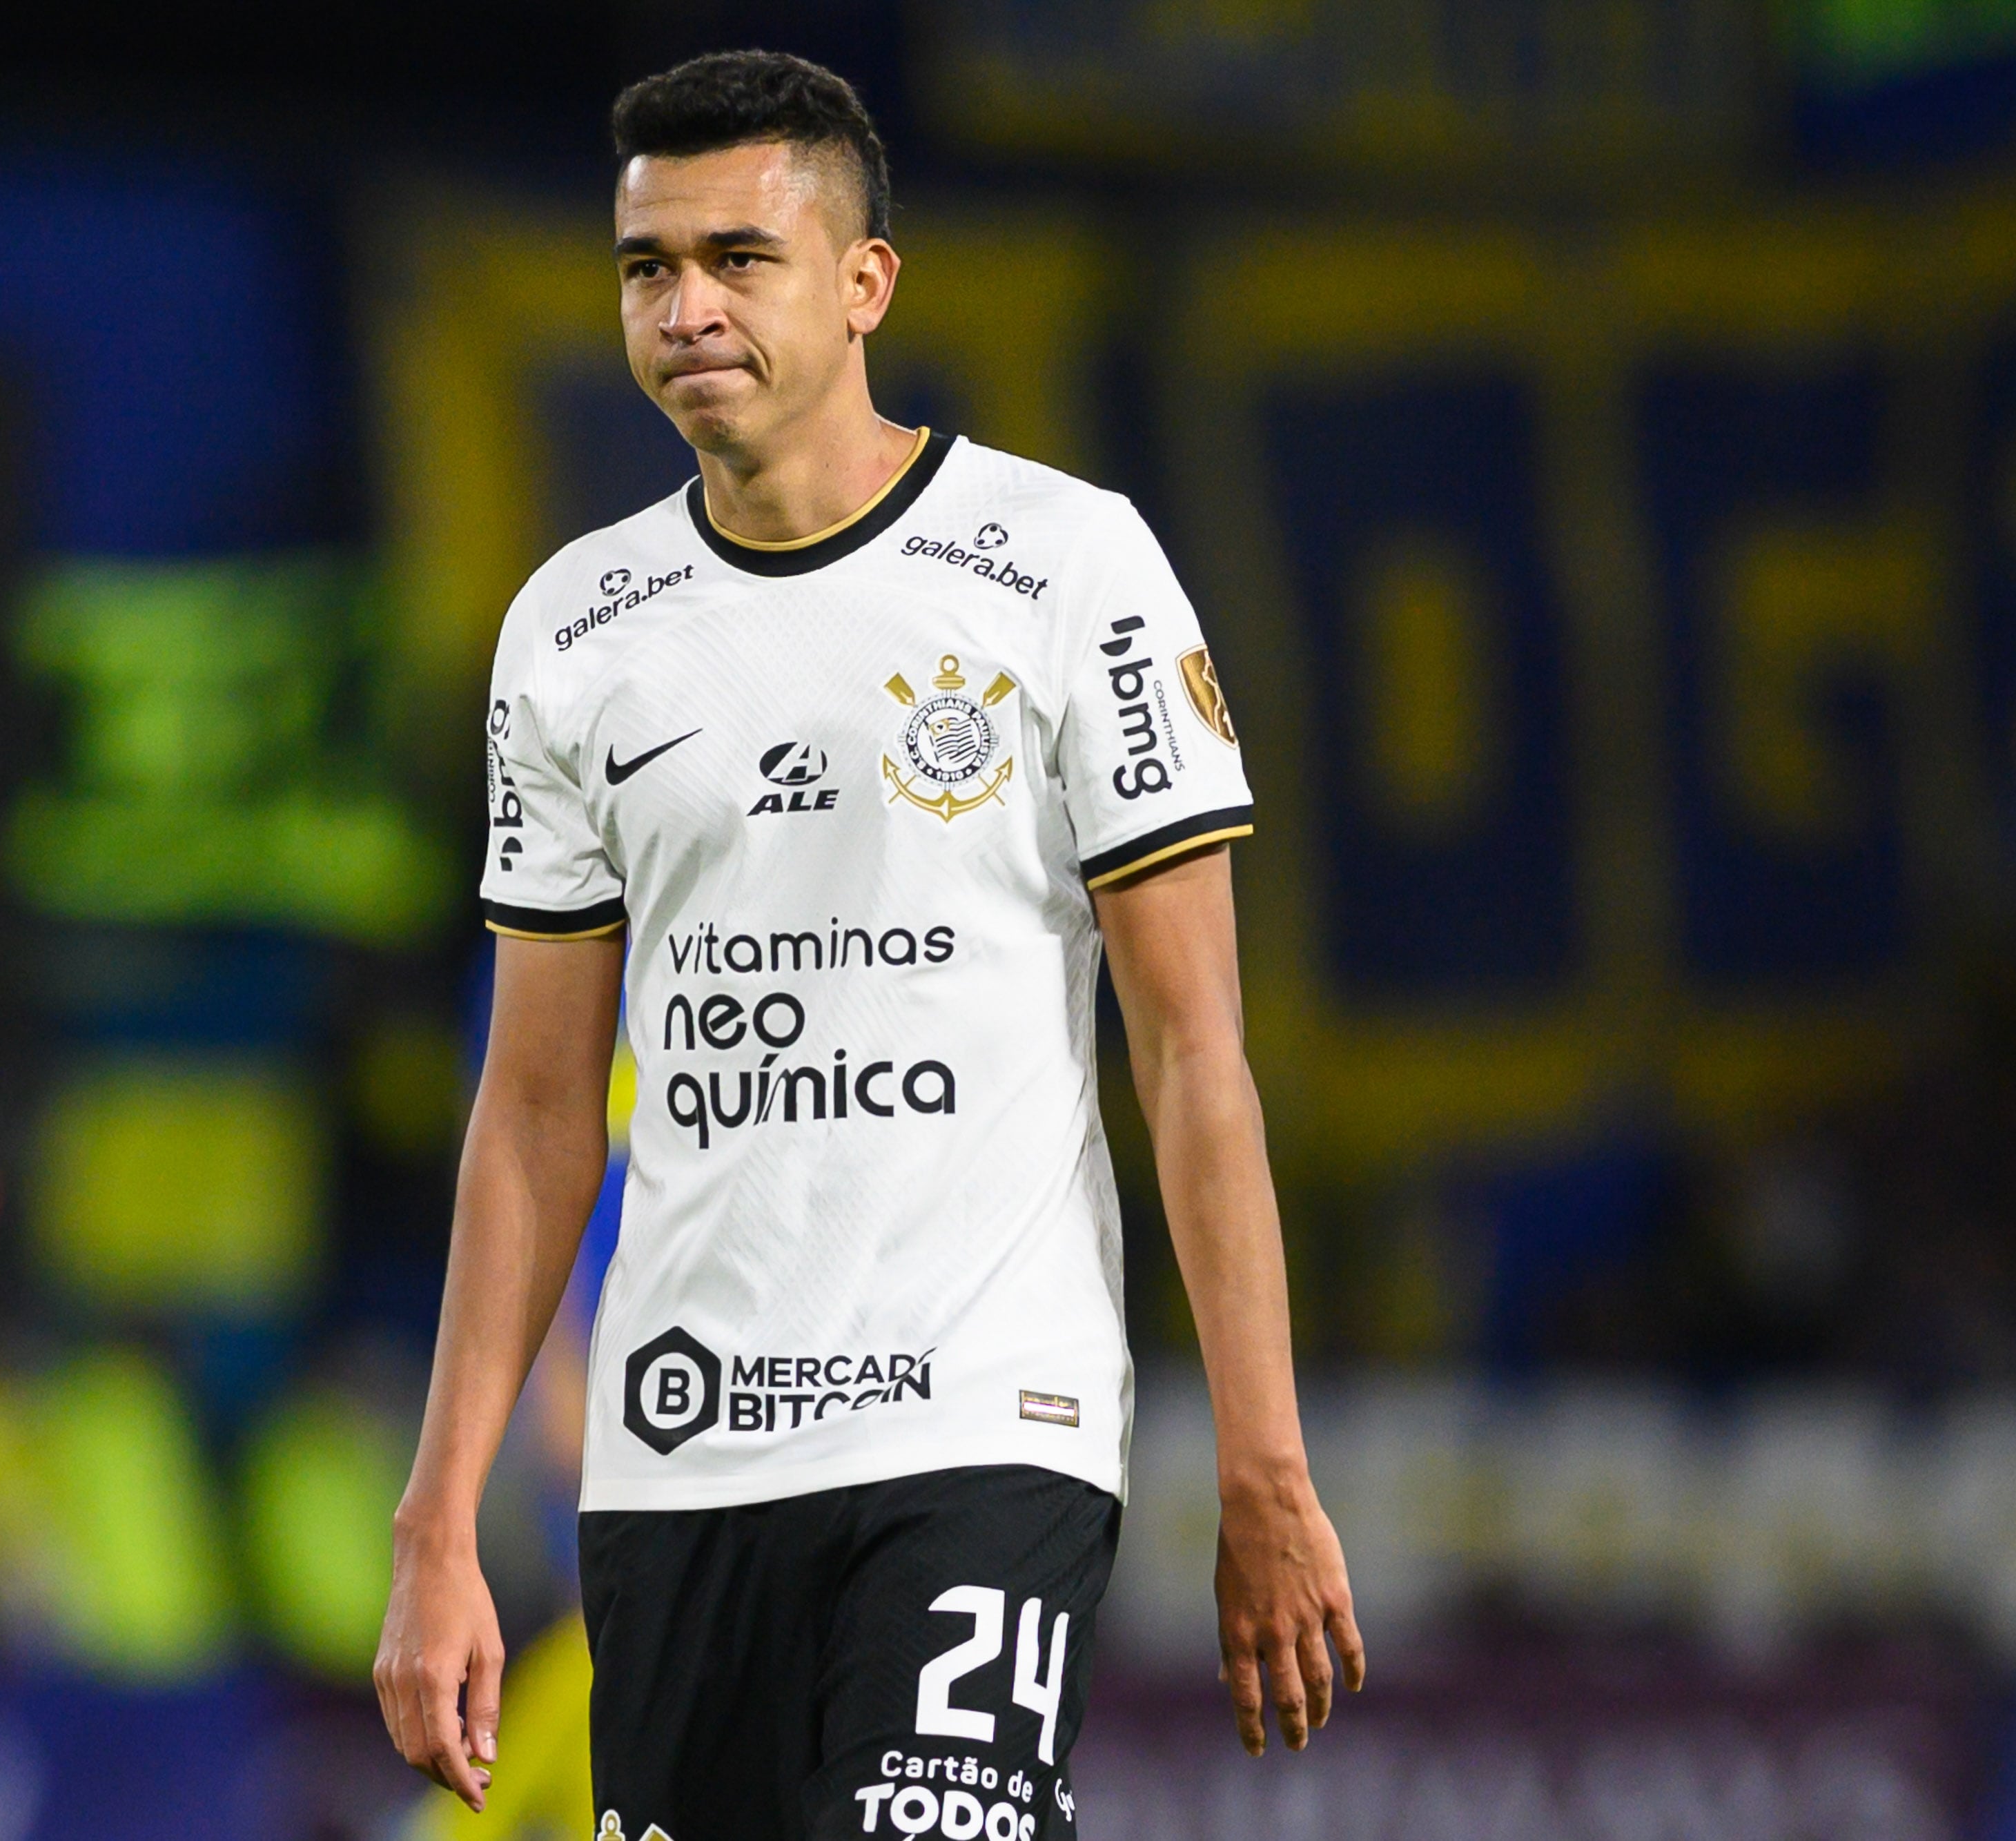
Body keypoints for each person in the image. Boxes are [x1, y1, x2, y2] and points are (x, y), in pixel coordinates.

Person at [375, 49, 1362, 1840]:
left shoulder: (1071, 574)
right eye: (646, 268)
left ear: (864, 283)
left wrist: (1265, 1464)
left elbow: (1192, 1055)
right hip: (677, 1468)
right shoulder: (576, 635)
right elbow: (531, 1111)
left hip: (983, 1426)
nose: (685, 310)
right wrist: (436, 1521)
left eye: (738, 259)